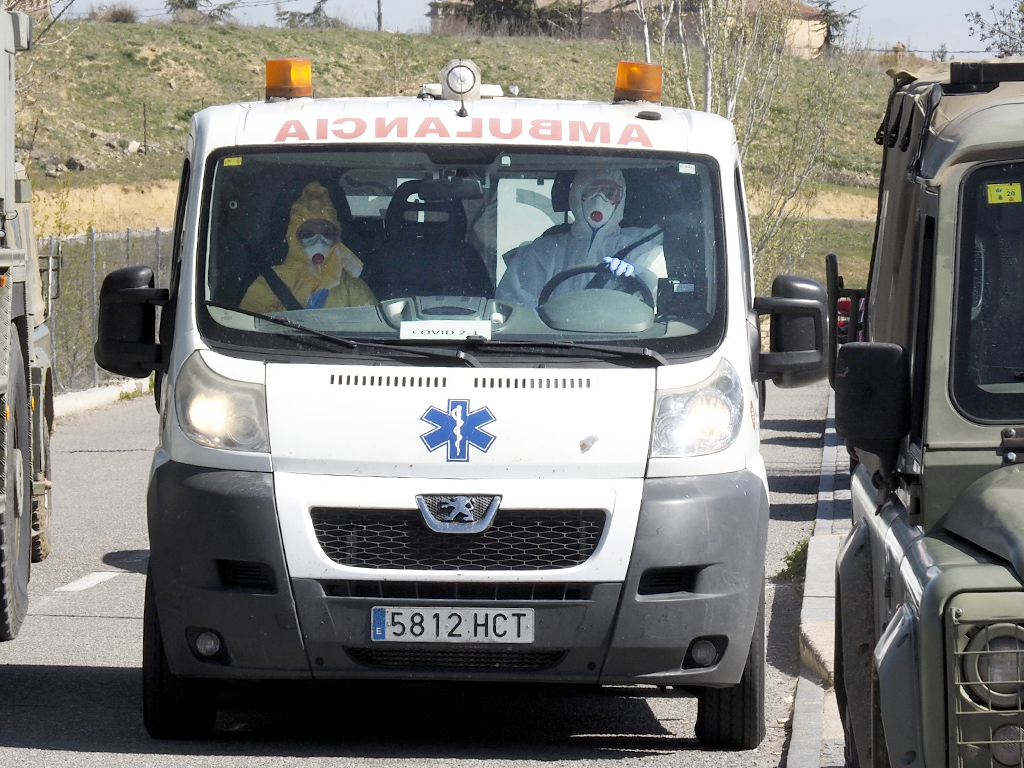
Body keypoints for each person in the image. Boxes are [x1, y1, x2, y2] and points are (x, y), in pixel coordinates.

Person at [495, 169, 665, 308]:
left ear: (621, 198)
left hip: (620, 336)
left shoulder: (641, 244)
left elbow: (659, 299)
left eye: (609, 192)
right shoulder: (544, 251)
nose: (599, 199)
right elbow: (514, 305)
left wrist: (639, 274)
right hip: (553, 338)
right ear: (576, 194)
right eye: (590, 191)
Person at [240, 181, 375, 313]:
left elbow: (371, 321)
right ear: (293, 237)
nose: (318, 241)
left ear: (337, 238)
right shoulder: (272, 283)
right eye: (307, 234)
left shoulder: (351, 286)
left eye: (327, 234)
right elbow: (248, 322)